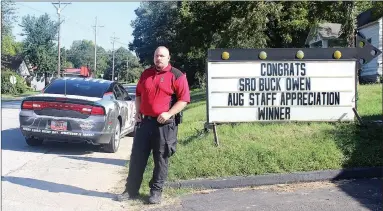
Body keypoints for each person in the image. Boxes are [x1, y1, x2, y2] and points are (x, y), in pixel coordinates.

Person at [116, 46, 190, 204]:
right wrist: (137, 111)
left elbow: (184, 99)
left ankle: (156, 192)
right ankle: (131, 191)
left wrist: (169, 113)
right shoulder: (146, 73)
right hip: (145, 123)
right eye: (157, 55)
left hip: (164, 126)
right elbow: (138, 94)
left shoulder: (176, 75)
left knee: (160, 159)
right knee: (137, 158)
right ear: (153, 57)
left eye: (162, 56)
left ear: (168, 58)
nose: (159, 58)